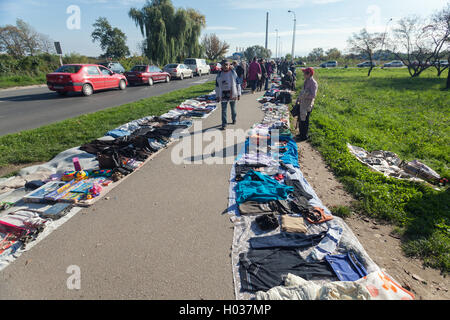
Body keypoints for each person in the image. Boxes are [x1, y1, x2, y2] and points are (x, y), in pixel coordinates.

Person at [215, 59, 242, 130]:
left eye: (227, 65)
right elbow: (217, 86)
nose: (225, 66)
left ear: (229, 65)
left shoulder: (233, 73)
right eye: (224, 65)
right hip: (223, 94)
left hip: (232, 93)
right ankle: (224, 123)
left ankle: (234, 119)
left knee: (233, 109)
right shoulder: (219, 74)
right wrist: (217, 96)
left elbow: (238, 83)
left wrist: (239, 94)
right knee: (223, 110)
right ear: (222, 66)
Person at [295, 67, 318, 141]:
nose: (303, 74)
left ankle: (304, 136)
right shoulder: (306, 81)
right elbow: (303, 91)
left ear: (309, 74)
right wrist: (299, 98)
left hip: (307, 104)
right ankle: (301, 133)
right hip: (303, 103)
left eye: (304, 73)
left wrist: (305, 95)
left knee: (305, 120)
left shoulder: (313, 83)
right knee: (301, 119)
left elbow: (313, 95)